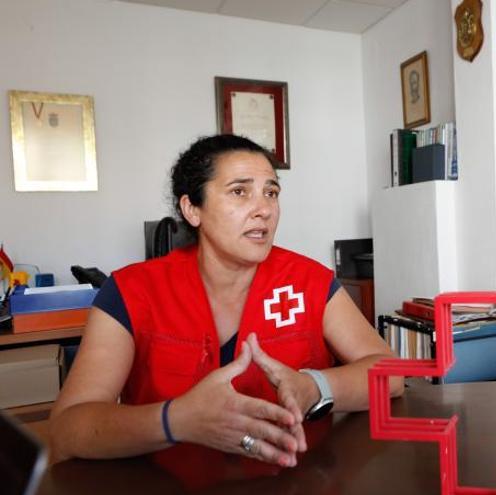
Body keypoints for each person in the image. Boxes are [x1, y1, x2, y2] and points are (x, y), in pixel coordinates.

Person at [50, 135, 403, 466]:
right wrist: (177, 420)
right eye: (239, 192)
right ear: (192, 209)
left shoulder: (310, 281)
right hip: (166, 483)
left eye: (272, 193)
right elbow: (68, 429)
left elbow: (393, 376)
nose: (263, 209)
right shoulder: (130, 291)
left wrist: (316, 387)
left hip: (296, 479)